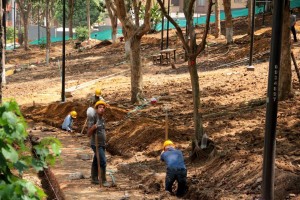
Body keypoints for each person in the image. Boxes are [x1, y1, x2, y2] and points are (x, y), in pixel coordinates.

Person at [87, 100, 109, 186]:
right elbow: (88, 133)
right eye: (100, 107)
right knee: (103, 161)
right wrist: (93, 127)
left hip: (102, 144)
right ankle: (103, 180)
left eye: (103, 108)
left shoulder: (102, 119)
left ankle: (94, 178)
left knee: (96, 161)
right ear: (96, 109)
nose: (102, 109)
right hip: (96, 144)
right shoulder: (94, 118)